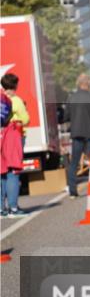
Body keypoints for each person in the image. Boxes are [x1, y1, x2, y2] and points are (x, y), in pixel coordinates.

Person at [64, 73, 90, 198]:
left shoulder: (71, 98)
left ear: (78, 83)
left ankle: (72, 191)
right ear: (88, 83)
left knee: (74, 163)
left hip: (77, 133)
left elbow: (66, 116)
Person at [1, 74, 29, 217]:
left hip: (1, 136)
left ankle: (1, 209)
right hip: (13, 136)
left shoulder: (1, 99)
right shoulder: (16, 100)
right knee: (13, 171)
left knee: (2, 172)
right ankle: (13, 208)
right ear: (15, 85)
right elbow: (25, 119)